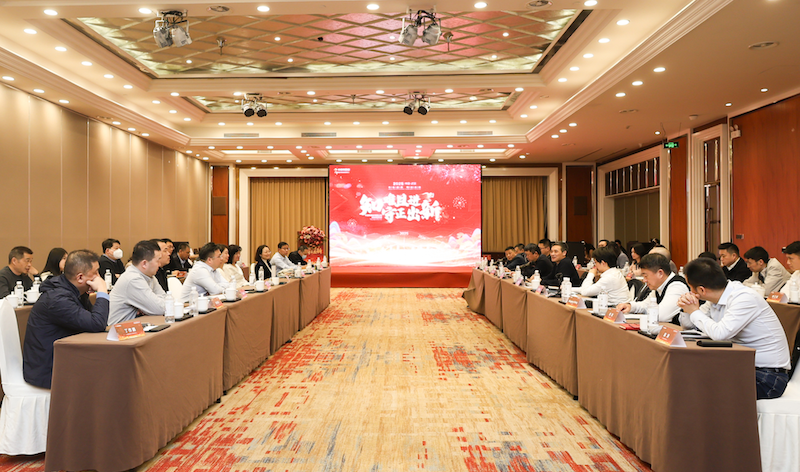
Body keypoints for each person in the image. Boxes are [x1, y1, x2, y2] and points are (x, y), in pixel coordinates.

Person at [677, 257, 791, 399]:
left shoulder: (743, 298)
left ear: (701, 290)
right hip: (741, 366)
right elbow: (690, 325)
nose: (690, 292)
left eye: (690, 288)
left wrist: (694, 311)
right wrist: (686, 308)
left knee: (700, 387)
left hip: (767, 376)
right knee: (688, 375)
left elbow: (719, 334)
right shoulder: (716, 298)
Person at [22, 250, 109, 389]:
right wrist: (102, 291)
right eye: (96, 272)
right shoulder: (58, 299)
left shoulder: (73, 291)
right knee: (109, 374)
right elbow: (97, 323)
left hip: (65, 359)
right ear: (80, 277)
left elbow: (97, 321)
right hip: (49, 371)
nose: (99, 277)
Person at [617, 253, 690, 324]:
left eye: (646, 276)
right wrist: (630, 306)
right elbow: (646, 304)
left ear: (660, 273)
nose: (644, 280)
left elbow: (661, 315)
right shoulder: (659, 286)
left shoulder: (677, 286)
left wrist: (645, 312)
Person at [108, 240, 166, 325]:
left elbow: (166, 300)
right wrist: (150, 306)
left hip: (135, 325)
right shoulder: (133, 279)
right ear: (144, 264)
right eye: (157, 261)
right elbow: (160, 308)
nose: (159, 264)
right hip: (119, 330)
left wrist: (148, 307)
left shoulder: (150, 276)